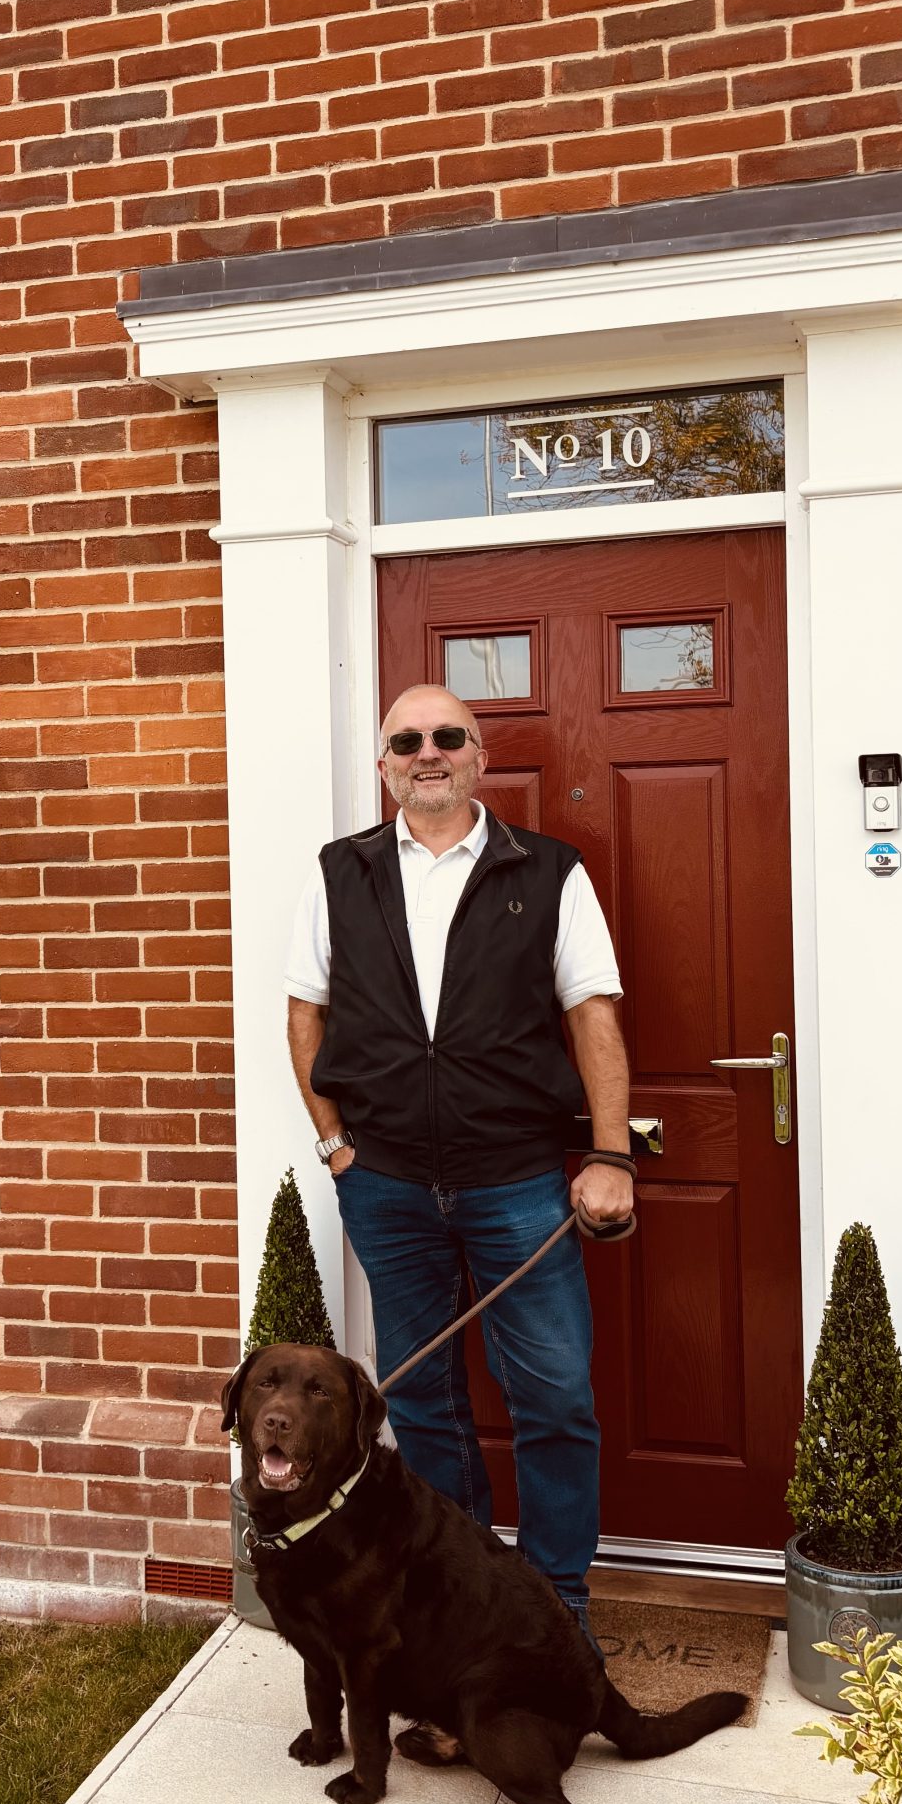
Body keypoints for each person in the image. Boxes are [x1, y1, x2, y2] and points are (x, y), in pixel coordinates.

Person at [283, 683, 635, 1637]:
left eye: (448, 737)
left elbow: (592, 1013)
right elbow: (306, 1012)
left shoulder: (547, 870)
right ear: (384, 765)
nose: (427, 752)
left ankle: (556, 1604)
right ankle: (462, 1596)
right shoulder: (341, 871)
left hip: (518, 1181)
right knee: (423, 1402)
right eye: (407, 741)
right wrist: (336, 1145)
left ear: (481, 757)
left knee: (555, 1398)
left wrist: (611, 1154)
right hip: (386, 1184)